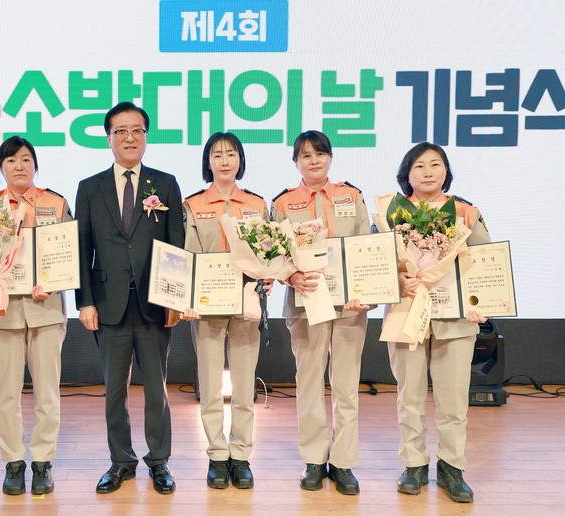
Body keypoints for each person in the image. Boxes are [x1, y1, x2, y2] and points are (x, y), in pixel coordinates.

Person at [75, 101, 185, 495]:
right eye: (120, 131)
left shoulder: (165, 183)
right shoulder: (90, 187)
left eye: (137, 130)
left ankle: (159, 461)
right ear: (108, 138)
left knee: (157, 389)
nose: (129, 137)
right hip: (108, 304)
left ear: (146, 136)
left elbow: (176, 246)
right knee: (114, 392)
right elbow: (82, 249)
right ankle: (120, 461)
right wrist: (84, 301)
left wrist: (175, 299)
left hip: (154, 304)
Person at [0, 136, 70, 496]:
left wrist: (55, 282)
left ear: (35, 164)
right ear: (1, 167)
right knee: (7, 393)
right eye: (10, 160)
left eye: (25, 159)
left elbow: (70, 256)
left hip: (46, 311)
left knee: (47, 394)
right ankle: (13, 462)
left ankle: (42, 462)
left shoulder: (56, 203)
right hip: (2, 313)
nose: (18, 166)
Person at [387, 142, 490, 503]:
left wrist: (482, 303)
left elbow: (485, 261)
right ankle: (413, 465)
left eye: (436, 164)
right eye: (419, 165)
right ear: (407, 173)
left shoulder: (465, 212)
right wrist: (398, 280)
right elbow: (373, 264)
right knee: (409, 396)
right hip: (406, 313)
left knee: (453, 399)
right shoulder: (391, 213)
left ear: (446, 171)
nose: (428, 171)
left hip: (456, 319)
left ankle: (452, 468)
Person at [271, 130, 370, 495]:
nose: (314, 160)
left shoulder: (351, 196)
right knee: (309, 381)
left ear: (330, 157)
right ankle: (314, 460)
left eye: (320, 154)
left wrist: (365, 293)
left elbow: (367, 247)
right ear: (295, 162)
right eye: (306, 155)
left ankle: (343, 462)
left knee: (346, 383)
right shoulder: (283, 203)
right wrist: (290, 275)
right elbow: (273, 253)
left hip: (349, 305)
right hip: (305, 301)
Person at [182, 132, 269, 490]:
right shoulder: (193, 204)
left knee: (245, 386)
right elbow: (188, 256)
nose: (224, 160)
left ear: (240, 160)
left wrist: (269, 274)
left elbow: (269, 252)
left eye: (231, 154)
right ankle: (218, 455)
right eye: (217, 154)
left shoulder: (257, 204)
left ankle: (241, 455)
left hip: (246, 303)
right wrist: (187, 297)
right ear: (208, 162)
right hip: (207, 306)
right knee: (211, 385)